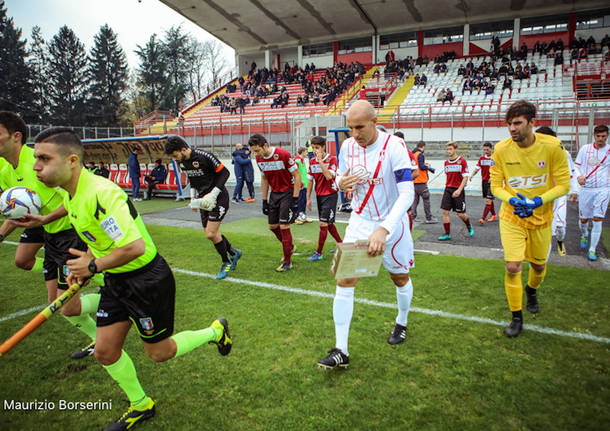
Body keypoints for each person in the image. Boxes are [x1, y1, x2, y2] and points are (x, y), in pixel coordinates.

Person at [32, 127, 232, 431]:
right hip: (115, 280)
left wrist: (94, 266)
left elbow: (134, 247)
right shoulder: (70, 195)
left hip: (146, 279)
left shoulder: (102, 194)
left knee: (159, 353)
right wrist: (84, 262)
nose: (36, 166)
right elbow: (95, 234)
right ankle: (141, 404)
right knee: (104, 351)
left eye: (43, 159)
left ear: (72, 160)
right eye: (36, 159)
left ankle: (215, 331)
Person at [317, 101, 416, 369]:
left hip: (392, 224)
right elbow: (340, 176)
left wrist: (384, 229)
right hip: (360, 220)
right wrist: (340, 182)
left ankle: (402, 321)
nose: (354, 133)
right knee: (344, 279)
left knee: (399, 277)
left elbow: (408, 193)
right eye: (350, 127)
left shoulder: (394, 146)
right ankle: (341, 350)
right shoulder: (348, 146)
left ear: (374, 121)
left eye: (359, 127)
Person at [0, 112, 102, 360]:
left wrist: (45, 219)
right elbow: (17, 211)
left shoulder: (40, 162)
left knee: (65, 305)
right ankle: (97, 335)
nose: (38, 165)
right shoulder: (4, 170)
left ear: (16, 137)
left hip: (69, 232)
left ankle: (110, 296)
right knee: (51, 296)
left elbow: (74, 196)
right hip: (47, 231)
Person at [490, 100, 570, 338]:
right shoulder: (501, 149)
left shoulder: (553, 146)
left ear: (532, 123)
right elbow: (495, 187)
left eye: (517, 123)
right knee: (513, 266)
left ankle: (532, 290)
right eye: (509, 124)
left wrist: (537, 202)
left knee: (538, 266)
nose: (512, 129)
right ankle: (516, 317)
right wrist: (514, 201)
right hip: (511, 217)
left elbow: (564, 184)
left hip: (541, 218)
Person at [164, 135, 241, 280]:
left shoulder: (204, 156)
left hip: (218, 198)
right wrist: (193, 197)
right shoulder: (182, 163)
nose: (174, 159)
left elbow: (225, 173)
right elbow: (193, 180)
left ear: (183, 149)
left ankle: (226, 261)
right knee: (210, 233)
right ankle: (234, 252)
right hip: (203, 200)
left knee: (211, 234)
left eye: (175, 155)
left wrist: (213, 194)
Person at [248, 134, 301, 272]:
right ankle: (289, 247)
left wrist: (295, 199)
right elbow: (264, 179)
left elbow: (297, 175)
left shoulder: (282, 154)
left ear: (265, 145)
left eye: (257, 150)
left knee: (284, 226)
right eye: (254, 151)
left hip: (287, 193)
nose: (255, 154)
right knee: (272, 226)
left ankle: (287, 261)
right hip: (274, 194)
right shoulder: (259, 159)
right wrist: (264, 200)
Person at [536, 127, 579, 256]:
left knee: (559, 228)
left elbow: (572, 172)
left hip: (558, 196)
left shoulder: (564, 154)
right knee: (542, 232)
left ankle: (560, 241)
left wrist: (574, 190)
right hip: (539, 197)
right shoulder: (531, 154)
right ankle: (539, 270)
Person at [574, 124, 610, 261]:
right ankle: (584, 234)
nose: (601, 139)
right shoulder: (585, 149)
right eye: (598, 136)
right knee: (583, 219)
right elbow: (576, 166)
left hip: (603, 189)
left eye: (603, 136)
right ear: (594, 136)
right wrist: (579, 176)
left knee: (597, 218)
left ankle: (592, 249)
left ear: (607, 136)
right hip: (586, 189)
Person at [306, 136, 343, 261]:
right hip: (319, 196)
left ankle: (319, 252)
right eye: (313, 148)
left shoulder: (332, 159)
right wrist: (308, 198)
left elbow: (328, 176)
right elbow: (310, 181)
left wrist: (320, 161)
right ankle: (341, 245)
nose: (315, 150)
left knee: (323, 223)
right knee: (329, 223)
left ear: (323, 147)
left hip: (330, 195)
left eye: (317, 148)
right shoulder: (311, 162)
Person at [438, 141, 474, 240]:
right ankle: (447, 234)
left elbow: (465, 177)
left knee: (460, 214)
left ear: (455, 149)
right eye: (447, 149)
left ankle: (469, 225)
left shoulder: (462, 161)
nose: (448, 151)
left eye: (450, 149)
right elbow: (448, 176)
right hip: (448, 189)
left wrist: (459, 190)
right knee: (445, 212)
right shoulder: (446, 163)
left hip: (458, 189)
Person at [469, 142, 498, 224]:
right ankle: (494, 215)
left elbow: (499, 170)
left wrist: (493, 178)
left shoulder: (495, 158)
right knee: (489, 200)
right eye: (484, 150)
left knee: (488, 200)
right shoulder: (482, 159)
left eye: (487, 150)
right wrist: (472, 175)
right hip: (484, 182)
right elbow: (477, 168)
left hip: (493, 182)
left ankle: (483, 218)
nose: (486, 151)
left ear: (491, 149)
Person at [411, 141, 437, 223]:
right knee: (426, 199)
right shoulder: (420, 154)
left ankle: (412, 217)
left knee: (415, 200)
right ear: (423, 147)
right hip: (421, 181)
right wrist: (428, 167)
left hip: (414, 180)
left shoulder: (412, 154)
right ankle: (429, 218)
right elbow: (421, 167)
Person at [294, 147, 312, 224]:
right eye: (306, 152)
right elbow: (296, 172)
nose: (307, 153)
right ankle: (298, 217)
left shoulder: (302, 160)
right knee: (300, 201)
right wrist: (299, 182)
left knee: (304, 200)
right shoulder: (297, 160)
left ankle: (303, 216)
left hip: (305, 184)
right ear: (302, 152)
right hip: (300, 184)